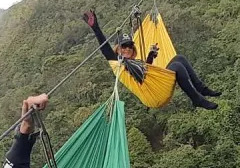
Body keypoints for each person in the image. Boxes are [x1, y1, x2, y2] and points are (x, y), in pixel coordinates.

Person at [82, 9, 222, 110]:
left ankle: (202, 89)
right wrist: (96, 28)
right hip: (153, 96)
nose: (127, 49)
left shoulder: (135, 64)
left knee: (179, 58)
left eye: (130, 46)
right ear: (118, 49)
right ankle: (197, 99)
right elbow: (105, 49)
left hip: (157, 86)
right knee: (177, 67)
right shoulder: (118, 64)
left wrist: (151, 56)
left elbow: (147, 74)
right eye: (123, 46)